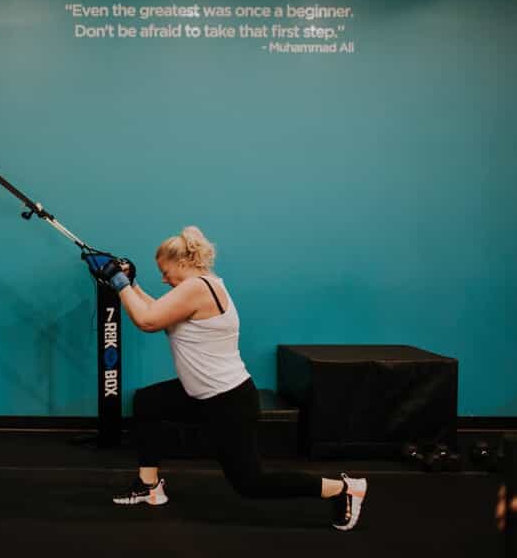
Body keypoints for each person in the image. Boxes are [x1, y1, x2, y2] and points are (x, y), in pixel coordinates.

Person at [96, 226, 368, 531]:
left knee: (250, 483)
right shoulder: (201, 285)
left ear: (183, 264)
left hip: (228, 401)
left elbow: (147, 321)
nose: (163, 279)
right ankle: (149, 487)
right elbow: (157, 311)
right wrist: (130, 284)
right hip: (202, 394)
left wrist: (119, 283)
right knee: (148, 402)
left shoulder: (196, 288)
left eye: (165, 271)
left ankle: (343, 488)